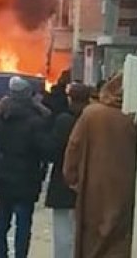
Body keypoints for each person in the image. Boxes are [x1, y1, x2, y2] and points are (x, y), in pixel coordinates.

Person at [64, 73, 137, 258]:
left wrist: (73, 179)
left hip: (93, 189)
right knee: (119, 240)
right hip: (126, 189)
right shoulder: (133, 119)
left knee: (92, 240)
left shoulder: (92, 113)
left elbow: (74, 147)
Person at [0, 76, 48, 258]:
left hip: (4, 178)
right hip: (27, 179)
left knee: (1, 223)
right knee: (23, 224)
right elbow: (44, 150)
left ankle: (1, 255)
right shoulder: (36, 120)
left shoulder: (0, 118)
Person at [43, 83, 90, 258]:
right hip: (88, 183)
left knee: (63, 232)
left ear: (70, 98)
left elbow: (53, 150)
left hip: (63, 184)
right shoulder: (91, 119)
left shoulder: (64, 121)